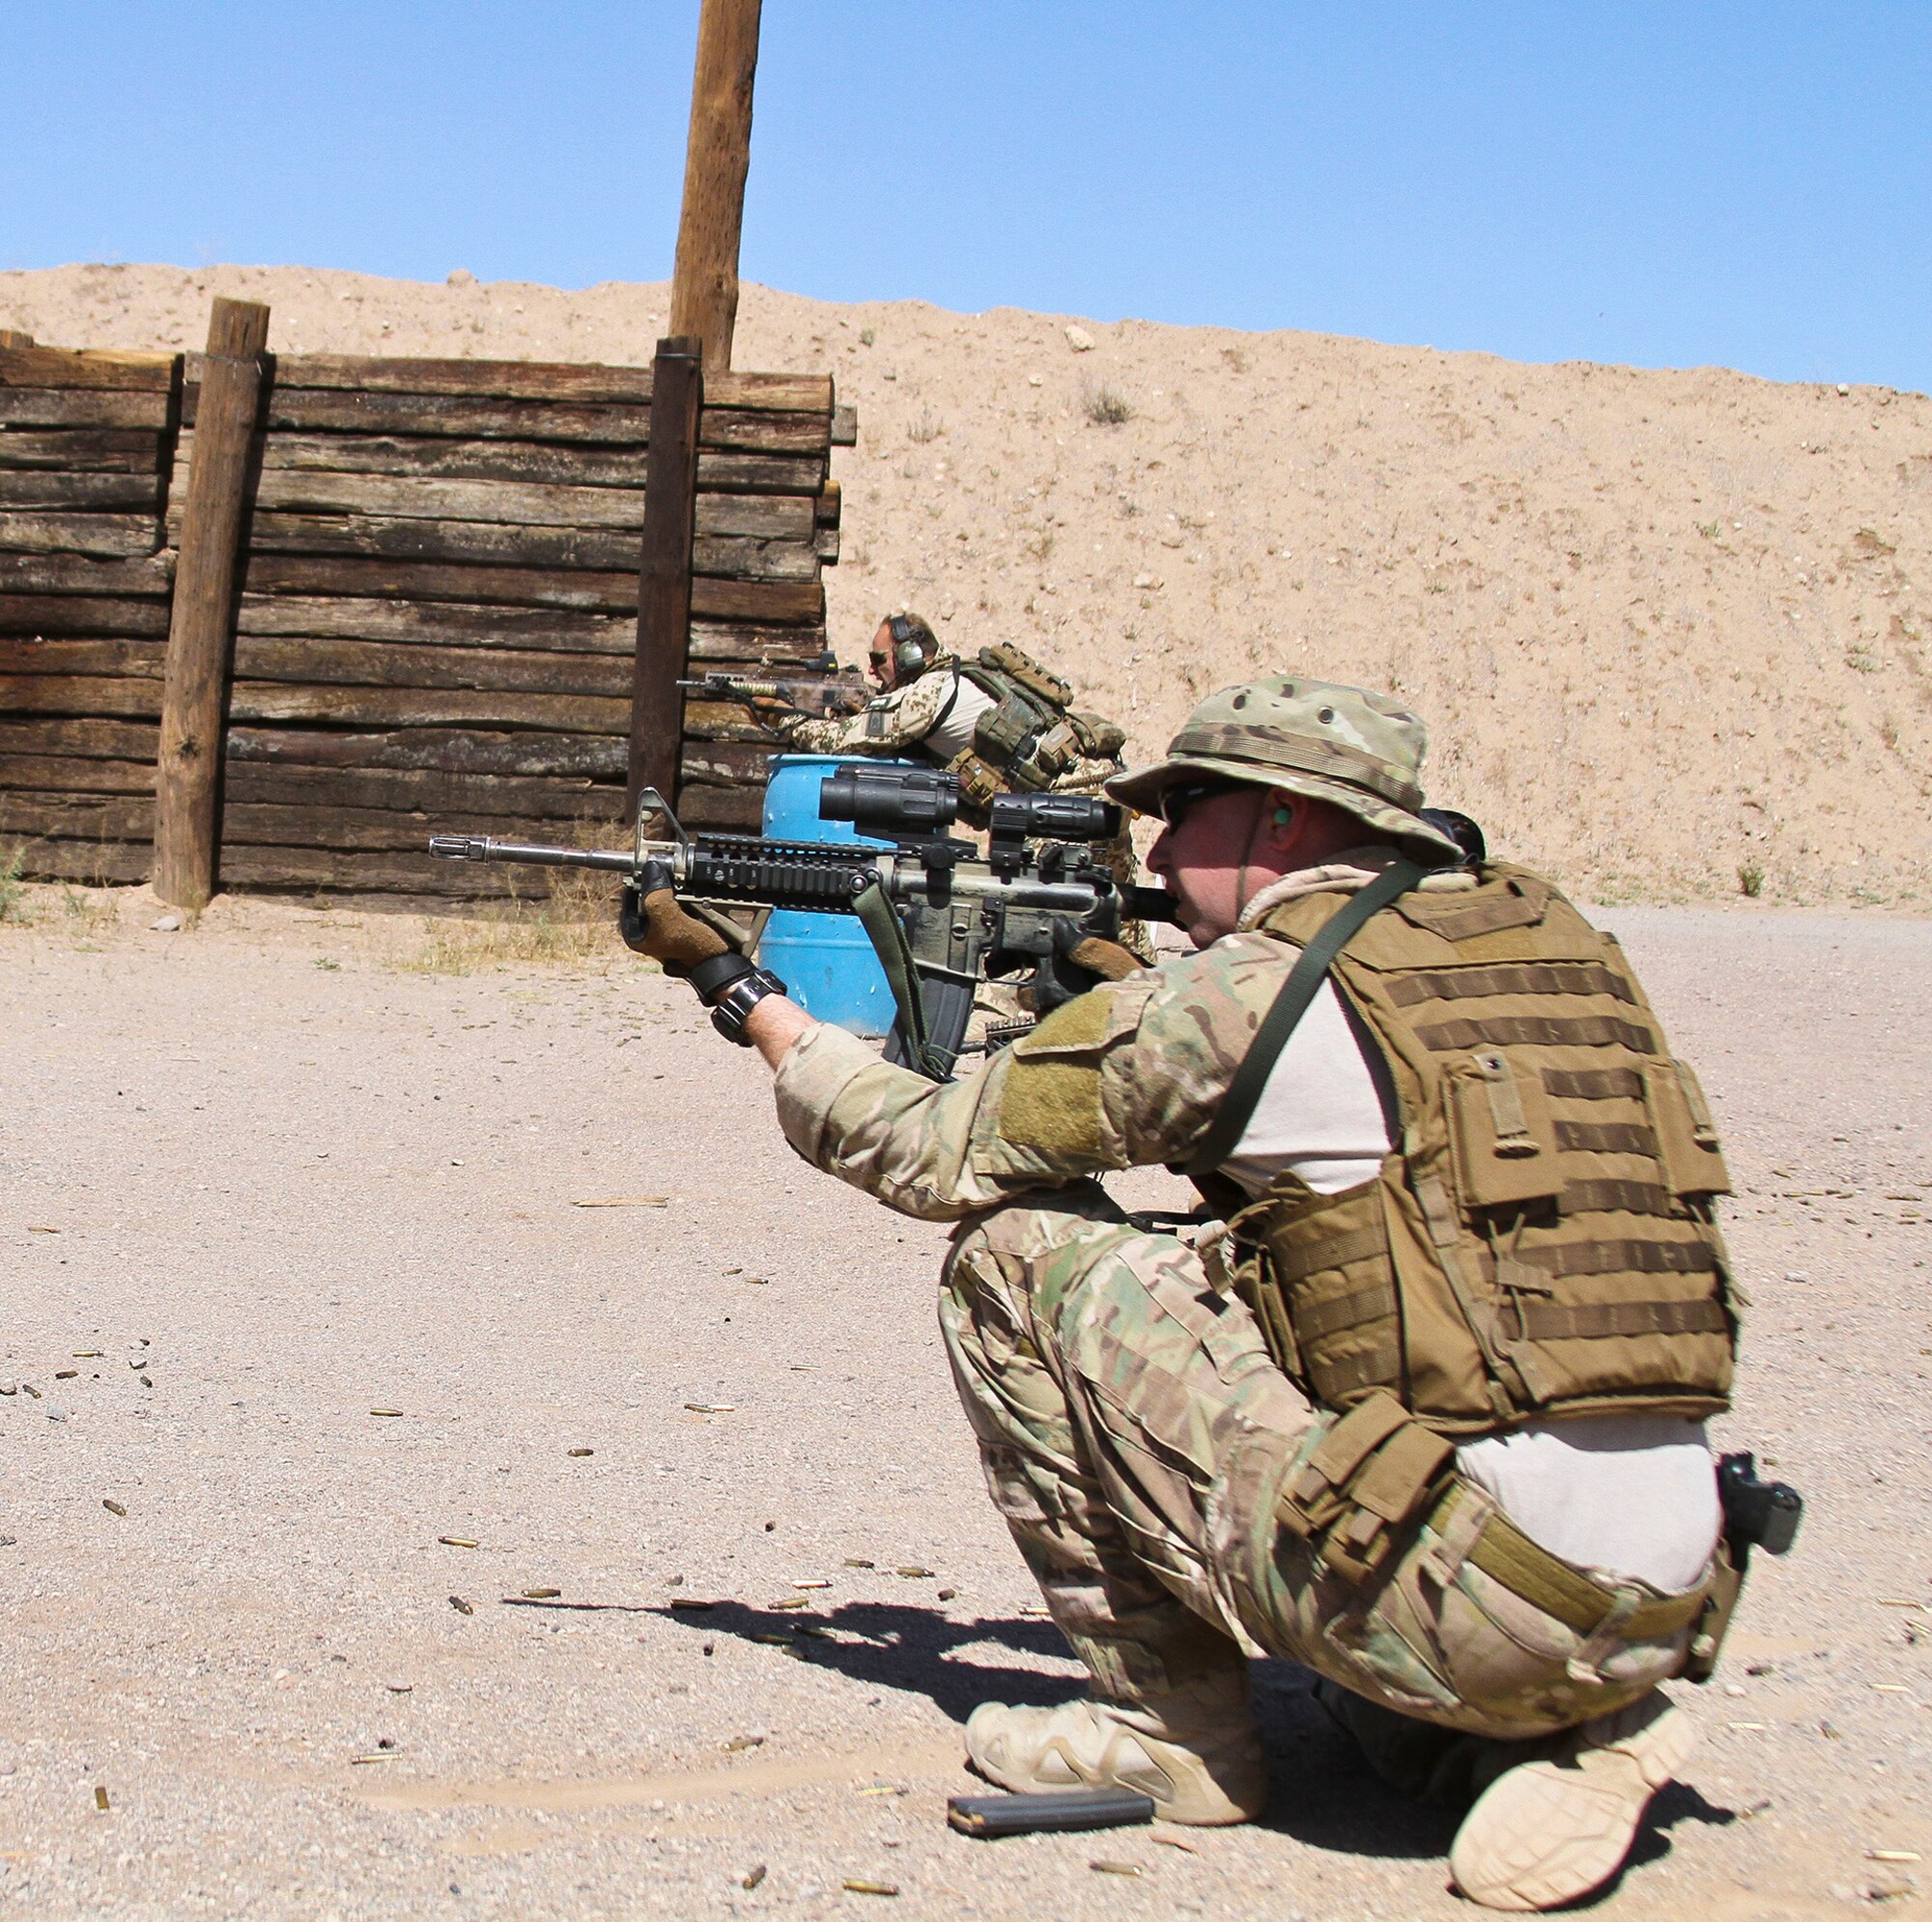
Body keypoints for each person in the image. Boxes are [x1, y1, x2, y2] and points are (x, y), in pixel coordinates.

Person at [621, 674, 1748, 1913]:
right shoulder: (1552, 958)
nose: (1154, 845)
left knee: (1022, 1257)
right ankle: (1547, 1728)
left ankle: (1176, 1740)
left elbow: (929, 1149)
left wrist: (741, 994)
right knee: (1249, 1271)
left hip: (1484, 1612)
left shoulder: (1254, 994)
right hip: (1672, 1594)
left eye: (1182, 809)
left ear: (1278, 822)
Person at [753, 611, 1126, 817]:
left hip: (1073, 798)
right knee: (1120, 926)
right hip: (1098, 785)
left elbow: (839, 741)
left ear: (910, 655)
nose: (872, 671)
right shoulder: (958, 678)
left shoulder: (929, 694)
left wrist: (784, 717)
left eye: (878, 660)